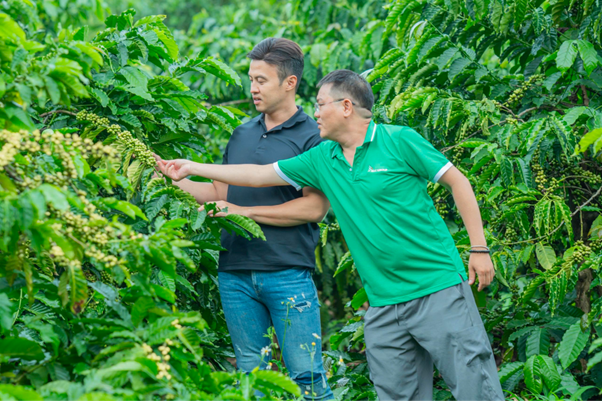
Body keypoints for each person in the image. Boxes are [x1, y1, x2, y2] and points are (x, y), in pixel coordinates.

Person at [156, 68, 505, 401]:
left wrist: (479, 248)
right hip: (383, 303)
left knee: (476, 387)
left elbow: (458, 181)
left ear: (346, 106)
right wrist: (191, 167)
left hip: (437, 289)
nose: (316, 113)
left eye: (321, 104)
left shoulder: (398, 140)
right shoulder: (322, 158)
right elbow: (258, 174)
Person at [155, 38, 334, 400]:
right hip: (234, 273)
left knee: (307, 377)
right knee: (251, 377)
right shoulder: (242, 132)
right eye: (251, 79)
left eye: (261, 80)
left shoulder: (313, 136)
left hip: (286, 272)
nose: (253, 88)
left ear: (290, 82)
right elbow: (219, 194)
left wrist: (244, 213)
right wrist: (168, 176)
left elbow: (315, 208)